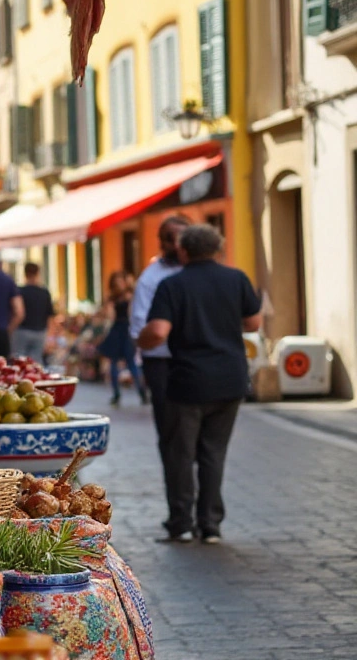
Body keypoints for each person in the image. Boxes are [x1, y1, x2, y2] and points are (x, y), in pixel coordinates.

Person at [139, 224, 262, 544]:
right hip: (231, 379)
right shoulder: (236, 279)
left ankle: (180, 523)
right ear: (218, 248)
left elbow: (158, 332)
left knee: (180, 453)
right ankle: (210, 525)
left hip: (188, 380)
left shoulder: (172, 285)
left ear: (183, 250)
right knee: (213, 452)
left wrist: (141, 340)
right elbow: (253, 322)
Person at [130, 215, 192, 444]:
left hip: (196, 361)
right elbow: (142, 330)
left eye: (181, 238)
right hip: (162, 363)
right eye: (169, 238)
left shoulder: (201, 273)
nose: (175, 244)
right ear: (161, 241)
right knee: (170, 432)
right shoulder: (151, 277)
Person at [98, 271, 147, 406]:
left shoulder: (127, 296)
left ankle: (140, 392)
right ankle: (119, 393)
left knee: (130, 363)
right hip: (120, 328)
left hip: (124, 329)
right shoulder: (120, 297)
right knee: (116, 363)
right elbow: (109, 315)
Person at [13, 262, 53, 362]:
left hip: (22, 331)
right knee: (36, 363)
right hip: (40, 332)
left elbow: (17, 312)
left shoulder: (20, 291)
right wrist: (49, 335)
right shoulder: (44, 292)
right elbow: (50, 316)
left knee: (19, 361)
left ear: (25, 274)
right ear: (38, 273)